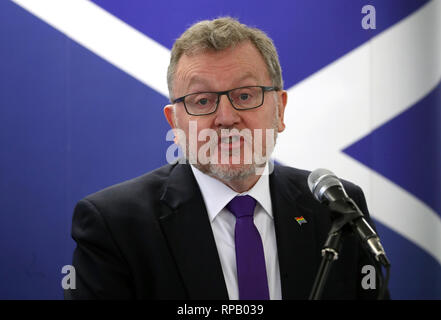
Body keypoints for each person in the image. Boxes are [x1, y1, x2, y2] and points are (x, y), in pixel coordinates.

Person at [65, 17, 386, 300]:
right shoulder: (115, 226)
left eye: (245, 95)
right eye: (202, 100)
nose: (226, 117)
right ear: (175, 123)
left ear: (280, 110)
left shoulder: (336, 209)